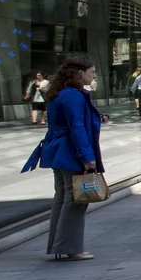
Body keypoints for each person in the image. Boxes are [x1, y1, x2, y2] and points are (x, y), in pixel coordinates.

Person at [20, 54, 103, 260]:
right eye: (91, 72)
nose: (93, 76)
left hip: (59, 149)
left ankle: (59, 245)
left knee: (63, 197)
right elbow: (77, 126)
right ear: (79, 73)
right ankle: (70, 247)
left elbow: (72, 122)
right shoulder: (73, 95)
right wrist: (87, 155)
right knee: (75, 198)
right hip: (70, 151)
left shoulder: (62, 93)